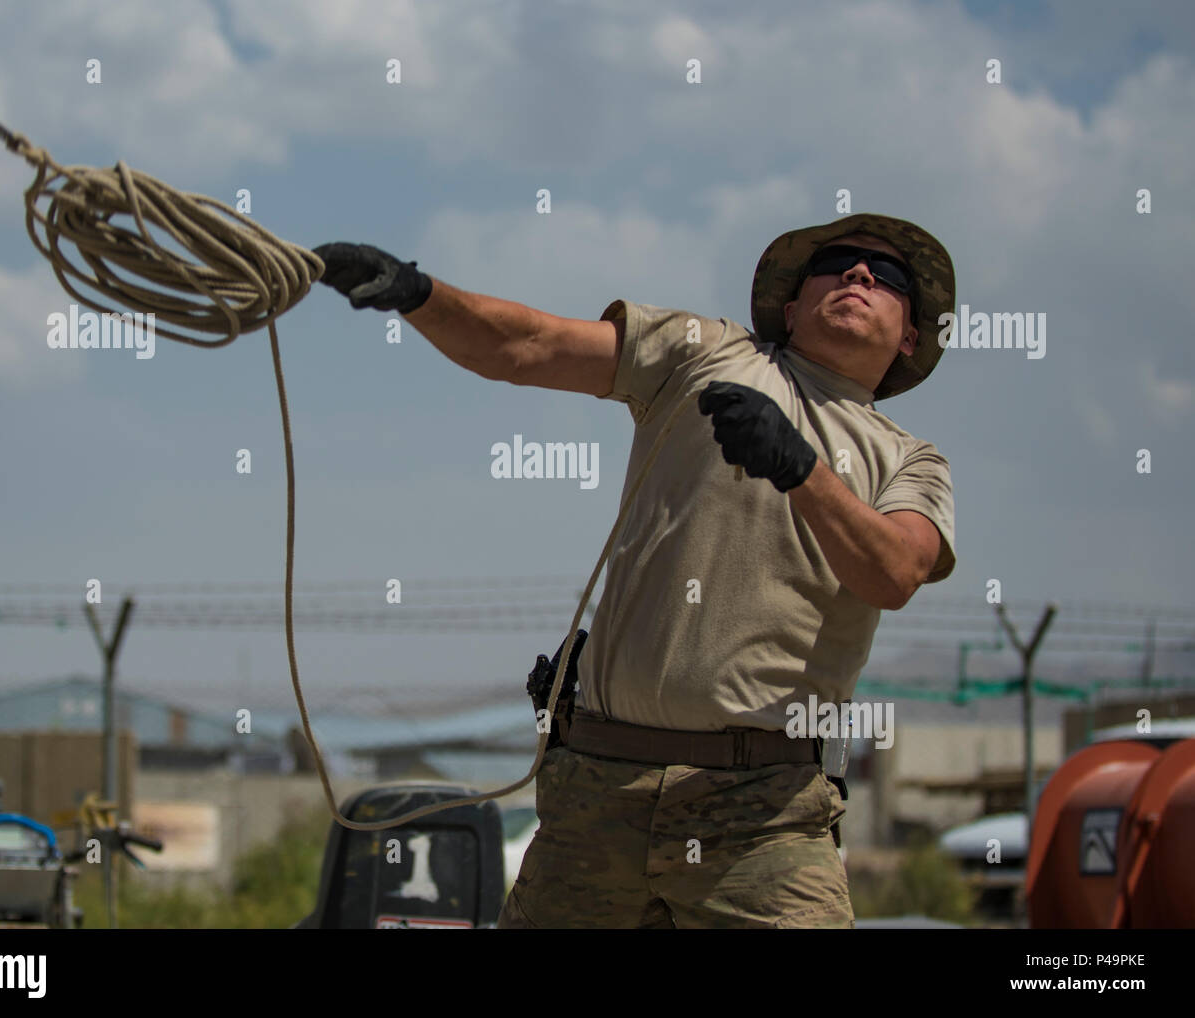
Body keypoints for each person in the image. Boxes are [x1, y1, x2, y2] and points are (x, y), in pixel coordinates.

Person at [314, 212, 957, 928]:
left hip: (762, 818)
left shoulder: (909, 460)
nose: (859, 275)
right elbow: (527, 345)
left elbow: (895, 573)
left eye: (887, 275)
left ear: (910, 337)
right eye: (836, 262)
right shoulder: (704, 352)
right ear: (791, 306)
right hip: (597, 790)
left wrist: (800, 468)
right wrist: (414, 291)